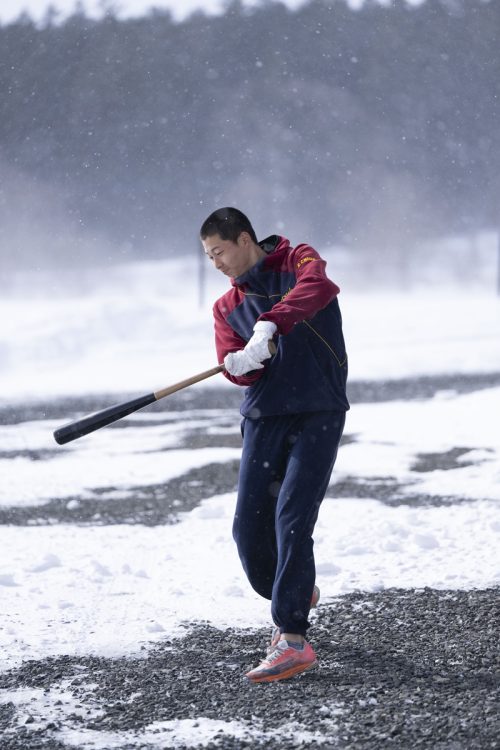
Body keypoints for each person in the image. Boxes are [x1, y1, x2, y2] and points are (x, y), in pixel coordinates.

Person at [200, 207, 349, 683]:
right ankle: (293, 591)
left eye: (219, 251)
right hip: (264, 417)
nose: (216, 263)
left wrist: (270, 323)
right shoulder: (225, 306)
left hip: (317, 411)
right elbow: (235, 363)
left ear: (244, 239)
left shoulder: (297, 260)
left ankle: (292, 639)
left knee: (292, 519)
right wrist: (240, 364)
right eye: (208, 257)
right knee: (248, 529)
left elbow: (319, 289)